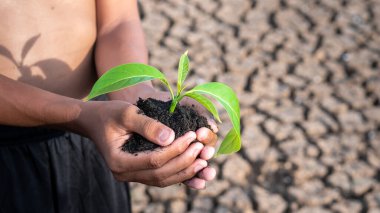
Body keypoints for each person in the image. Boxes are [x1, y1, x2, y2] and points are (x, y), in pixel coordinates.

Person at [0, 0, 218, 212]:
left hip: (101, 127)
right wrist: (80, 115)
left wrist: (137, 94)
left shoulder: (109, 121)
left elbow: (117, 21)